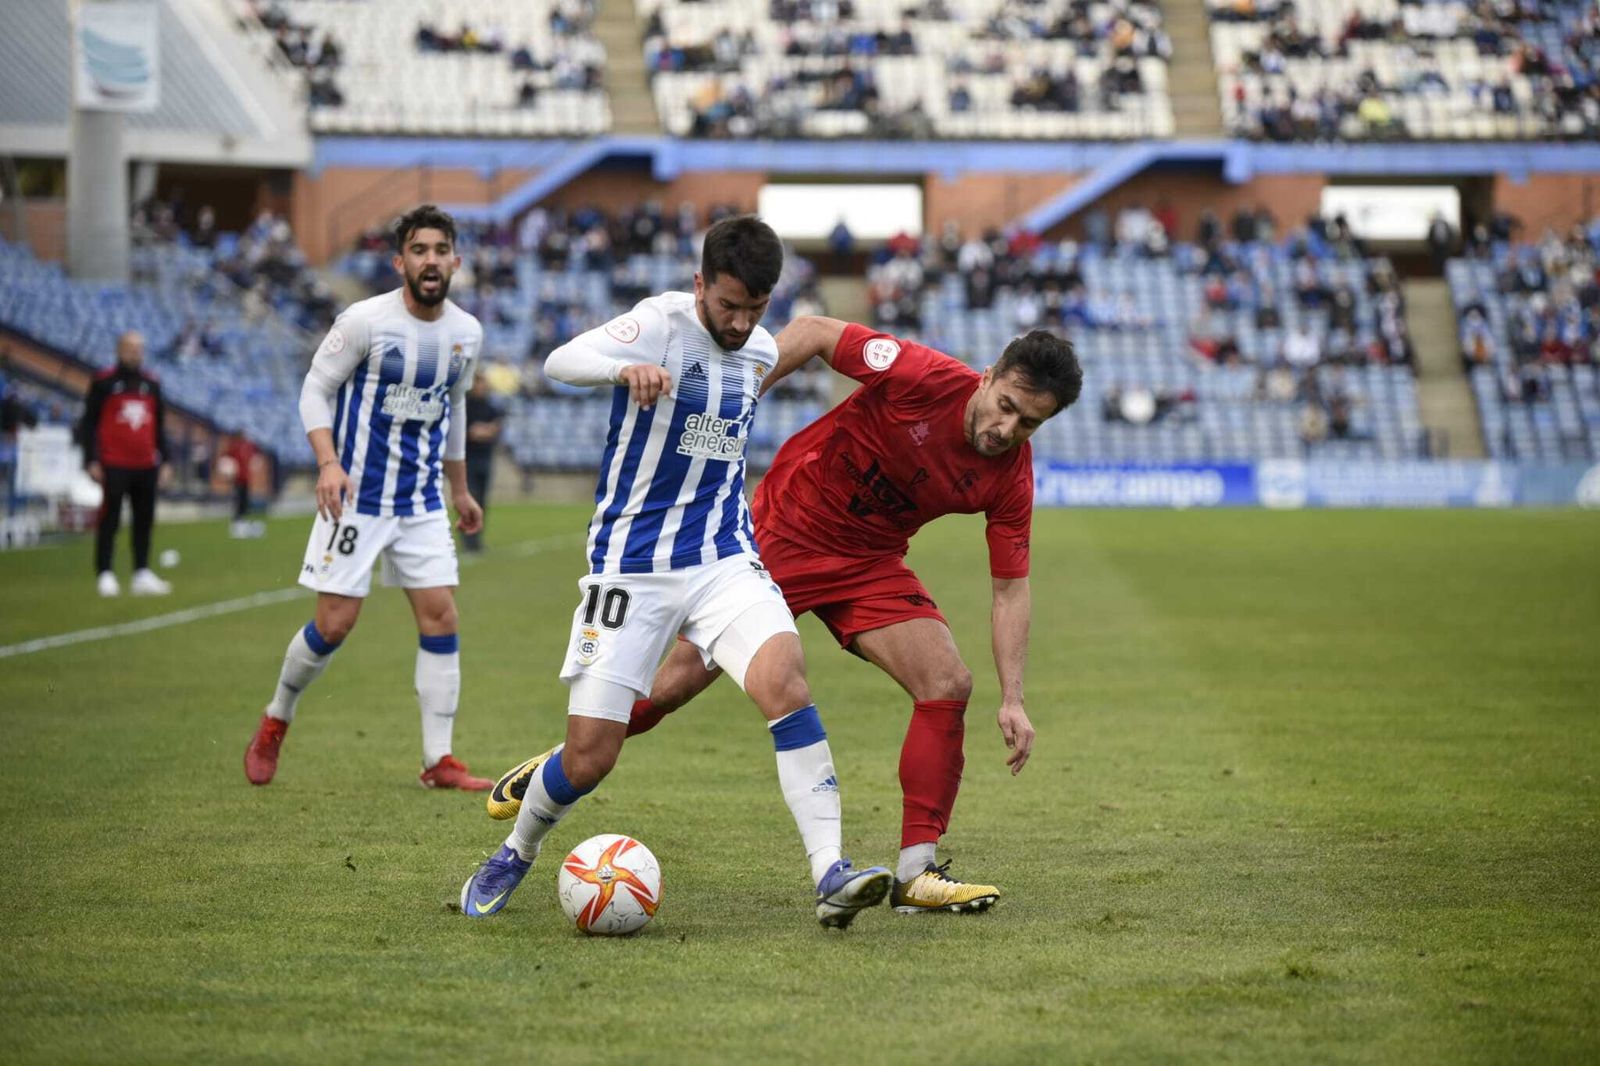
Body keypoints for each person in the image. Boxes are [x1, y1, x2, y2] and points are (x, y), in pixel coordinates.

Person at [492, 318, 1082, 914]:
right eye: (1004, 405)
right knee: (669, 690)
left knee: (948, 684)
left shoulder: (1011, 476)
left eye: (1028, 422)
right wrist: (744, 399)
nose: (1006, 429)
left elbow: (1010, 590)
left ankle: (916, 874)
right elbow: (819, 331)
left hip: (869, 564)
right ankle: (564, 763)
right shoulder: (919, 375)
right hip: (779, 535)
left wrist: (1013, 698)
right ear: (986, 379)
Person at [459, 216, 893, 928]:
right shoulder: (658, 323)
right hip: (632, 565)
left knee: (785, 679)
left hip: (723, 556)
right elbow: (558, 361)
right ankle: (518, 846)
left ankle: (830, 874)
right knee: (591, 757)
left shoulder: (757, 351)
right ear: (700, 285)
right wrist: (620, 368)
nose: (741, 321)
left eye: (755, 308)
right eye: (728, 305)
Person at [243, 204, 492, 791]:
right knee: (334, 624)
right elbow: (315, 391)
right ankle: (277, 717)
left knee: (441, 615)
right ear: (398, 260)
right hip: (354, 498)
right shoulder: (364, 321)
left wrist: (460, 489)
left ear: (455, 260)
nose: (430, 262)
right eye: (419, 251)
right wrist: (327, 464)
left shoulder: (466, 333)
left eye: (440, 251)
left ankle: (439, 760)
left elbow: (454, 410)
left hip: (421, 503)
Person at [79, 331, 172, 597]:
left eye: (139, 348)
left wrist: (165, 459)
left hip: (145, 462)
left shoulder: (151, 383)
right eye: (130, 348)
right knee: (110, 517)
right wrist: (91, 459)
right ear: (119, 349)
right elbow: (89, 423)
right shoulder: (104, 381)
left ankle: (141, 571)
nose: (135, 353)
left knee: (144, 519)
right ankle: (105, 572)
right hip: (114, 462)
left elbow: (160, 426)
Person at [460, 373, 503, 552]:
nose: (483, 387)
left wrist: (484, 431)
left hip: (485, 458)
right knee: (471, 498)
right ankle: (468, 539)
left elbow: (496, 427)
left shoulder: (490, 407)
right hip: (467, 460)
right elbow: (470, 432)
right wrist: (484, 431)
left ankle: (477, 538)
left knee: (483, 500)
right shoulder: (465, 406)